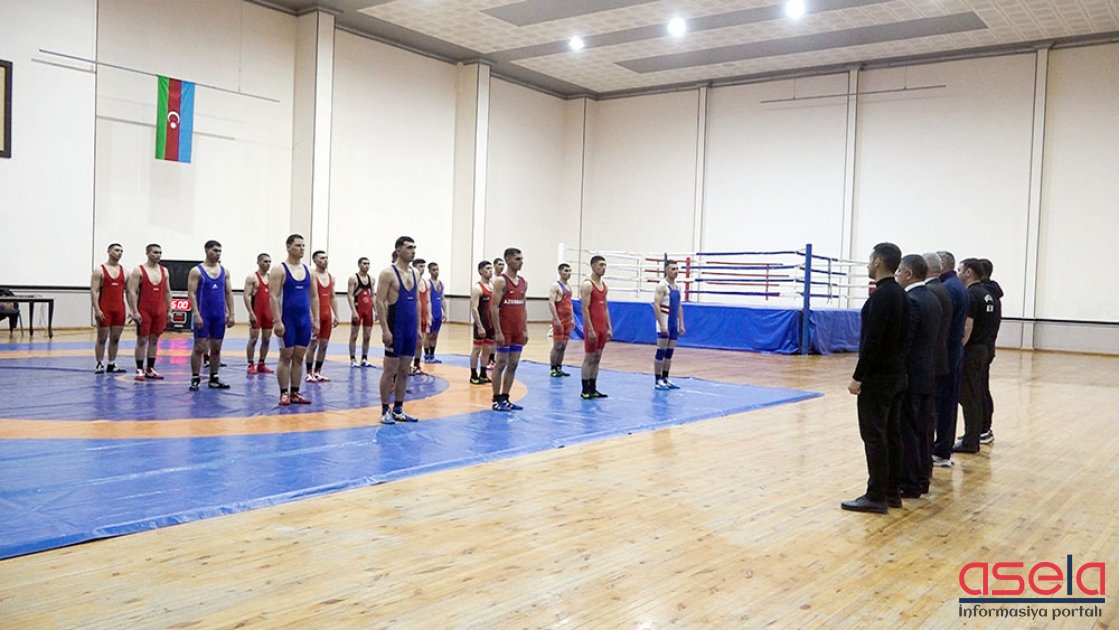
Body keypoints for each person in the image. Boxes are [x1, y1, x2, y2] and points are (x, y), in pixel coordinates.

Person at [842, 242, 908, 514]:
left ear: (879, 260)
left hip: (879, 378)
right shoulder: (901, 295)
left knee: (874, 435)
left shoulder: (881, 297)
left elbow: (873, 341)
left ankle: (876, 494)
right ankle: (892, 492)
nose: (869, 263)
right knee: (891, 433)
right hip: (897, 374)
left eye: (871, 258)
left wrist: (858, 376)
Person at [895, 254, 941, 498]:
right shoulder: (932, 297)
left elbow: (906, 341)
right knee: (923, 427)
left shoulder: (911, 300)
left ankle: (910, 481)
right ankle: (923, 476)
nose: (897, 276)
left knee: (909, 428)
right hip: (928, 371)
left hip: (912, 373)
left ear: (908, 274)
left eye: (898, 271)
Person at [377, 236, 422, 424]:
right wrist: (385, 329)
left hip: (410, 329)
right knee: (390, 370)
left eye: (414, 247)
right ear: (398, 250)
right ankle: (384, 410)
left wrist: (418, 328)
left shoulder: (416, 273)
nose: (413, 251)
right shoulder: (388, 273)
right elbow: (379, 302)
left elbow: (417, 301)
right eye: (409, 247)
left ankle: (398, 409)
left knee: (405, 370)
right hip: (395, 328)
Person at [270, 234, 318, 405]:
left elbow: (314, 296)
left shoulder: (309, 271)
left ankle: (295, 393)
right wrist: (277, 321)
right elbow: (273, 296)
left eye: (303, 246)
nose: (302, 249)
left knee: (299, 357)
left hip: (303, 321)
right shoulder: (279, 269)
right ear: (288, 247)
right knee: (286, 356)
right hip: (287, 320)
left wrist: (316, 319)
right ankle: (284, 393)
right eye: (298, 245)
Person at [954, 258, 995, 454]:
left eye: (960, 270)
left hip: (972, 351)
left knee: (969, 397)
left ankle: (970, 440)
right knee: (977, 394)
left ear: (968, 272)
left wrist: (957, 348)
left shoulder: (970, 295)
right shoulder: (988, 294)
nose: (958, 273)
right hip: (985, 348)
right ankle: (975, 434)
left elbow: (967, 328)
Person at [931, 251, 969, 467]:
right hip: (953, 351)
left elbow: (943, 324)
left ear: (942, 265)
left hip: (947, 353)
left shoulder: (947, 288)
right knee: (948, 401)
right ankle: (943, 447)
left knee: (944, 402)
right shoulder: (956, 286)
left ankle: (941, 449)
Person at [187, 240, 235, 391]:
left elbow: (228, 293)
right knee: (199, 347)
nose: (218, 253)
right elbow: (192, 294)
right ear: (206, 251)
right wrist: (196, 314)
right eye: (215, 250)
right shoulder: (197, 271)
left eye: (220, 251)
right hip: (204, 315)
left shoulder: (225, 271)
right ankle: (195, 378)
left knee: (216, 348)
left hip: (219, 316)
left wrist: (231, 313)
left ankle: (214, 377)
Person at [922, 252, 953, 483]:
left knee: (927, 413)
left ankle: (926, 460)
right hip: (939, 357)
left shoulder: (931, 292)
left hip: (929, 361)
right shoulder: (943, 289)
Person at [490, 248, 528, 411]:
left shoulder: (523, 282)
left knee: (513, 364)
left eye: (521, 259)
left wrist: (525, 329)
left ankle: (505, 397)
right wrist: (497, 331)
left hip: (517, 329)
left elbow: (524, 306)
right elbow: (493, 307)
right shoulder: (501, 281)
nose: (521, 262)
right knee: (500, 363)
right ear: (508, 260)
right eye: (517, 259)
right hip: (505, 329)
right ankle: (496, 399)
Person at [126, 244, 172, 381]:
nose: (158, 255)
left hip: (160, 310)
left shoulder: (164, 271)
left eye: (160, 253)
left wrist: (169, 310)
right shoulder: (138, 271)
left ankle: (150, 369)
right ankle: (139, 369)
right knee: (142, 340)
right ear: (147, 253)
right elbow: (132, 292)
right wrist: (134, 311)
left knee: (154, 340)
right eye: (155, 252)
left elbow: (167, 291)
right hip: (144, 309)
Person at [90, 243, 128, 374]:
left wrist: (133, 310)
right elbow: (94, 291)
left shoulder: (125, 272)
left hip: (119, 309)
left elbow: (130, 292)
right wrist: (97, 309)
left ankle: (111, 363)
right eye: (117, 250)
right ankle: (99, 363)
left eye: (121, 251)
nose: (119, 253)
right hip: (105, 308)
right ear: (109, 251)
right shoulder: (99, 270)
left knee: (115, 338)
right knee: (102, 338)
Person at [978, 258, 1003, 444]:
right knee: (982, 388)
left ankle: (983, 429)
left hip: (981, 347)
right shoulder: (993, 294)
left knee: (979, 390)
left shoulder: (983, 295)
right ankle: (984, 428)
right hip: (988, 346)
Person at [580, 255, 612, 400]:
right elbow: (585, 309)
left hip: (602, 327)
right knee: (589, 357)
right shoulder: (588, 285)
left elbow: (605, 308)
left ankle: (593, 388)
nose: (603, 268)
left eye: (605, 265)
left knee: (597, 357)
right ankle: (585, 389)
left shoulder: (604, 285)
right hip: (592, 327)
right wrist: (590, 329)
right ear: (593, 266)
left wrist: (609, 327)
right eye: (600, 265)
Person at [305, 250, 339, 383]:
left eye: (326, 258)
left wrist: (336, 314)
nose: (325, 260)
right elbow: (311, 297)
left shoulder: (331, 277)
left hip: (327, 316)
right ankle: (309, 373)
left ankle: (318, 372)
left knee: (324, 345)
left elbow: (332, 297)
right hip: (316, 315)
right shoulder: (312, 276)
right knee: (313, 344)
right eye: (322, 258)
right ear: (315, 261)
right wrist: (313, 317)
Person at [652, 259, 686, 390]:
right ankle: (657, 380)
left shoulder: (677, 287)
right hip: (665, 322)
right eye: (673, 269)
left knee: (669, 352)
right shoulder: (662, 286)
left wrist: (681, 324)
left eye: (677, 269)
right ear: (666, 270)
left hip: (673, 324)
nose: (676, 272)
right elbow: (656, 305)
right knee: (661, 351)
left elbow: (679, 306)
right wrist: (662, 325)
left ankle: (665, 378)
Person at [244, 253, 275, 375]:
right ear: (258, 262)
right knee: (253, 339)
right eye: (265, 261)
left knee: (266, 339)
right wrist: (251, 313)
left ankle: (261, 363)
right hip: (257, 312)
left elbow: (275, 297)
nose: (267, 264)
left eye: (269, 262)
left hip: (268, 313)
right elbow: (246, 296)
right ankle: (250, 364)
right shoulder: (252, 278)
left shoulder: (272, 278)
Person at [469, 260, 495, 385]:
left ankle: (483, 374)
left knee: (487, 349)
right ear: (480, 271)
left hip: (491, 324)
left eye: (491, 268)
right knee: (476, 349)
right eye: (487, 269)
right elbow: (474, 308)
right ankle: (473, 374)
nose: (490, 271)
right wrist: (479, 326)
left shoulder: (493, 287)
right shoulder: (477, 288)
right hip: (482, 323)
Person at [347, 257, 375, 368]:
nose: (366, 266)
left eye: (368, 263)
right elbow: (350, 296)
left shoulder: (371, 279)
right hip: (358, 309)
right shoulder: (353, 278)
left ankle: (364, 358)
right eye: (364, 263)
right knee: (354, 335)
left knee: (367, 336)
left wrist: (376, 310)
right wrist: (353, 311)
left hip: (368, 310)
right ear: (359, 265)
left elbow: (372, 295)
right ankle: (352, 359)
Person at [548, 263, 575, 377]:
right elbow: (551, 302)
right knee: (557, 345)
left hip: (568, 320)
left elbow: (570, 304)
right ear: (560, 272)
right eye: (565, 271)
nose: (568, 273)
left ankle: (559, 367)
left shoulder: (569, 287)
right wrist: (556, 319)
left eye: (569, 271)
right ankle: (553, 368)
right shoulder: (555, 286)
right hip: (559, 319)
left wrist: (573, 318)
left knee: (563, 345)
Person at [423, 261, 446, 364]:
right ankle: (426, 355)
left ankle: (432, 355)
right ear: (429, 271)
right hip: (431, 312)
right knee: (428, 335)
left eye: (437, 270)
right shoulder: (428, 284)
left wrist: (444, 312)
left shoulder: (441, 284)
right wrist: (428, 314)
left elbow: (442, 299)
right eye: (434, 270)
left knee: (435, 335)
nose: (436, 272)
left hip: (438, 313)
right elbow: (427, 300)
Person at [411, 258, 429, 375]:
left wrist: (429, 316)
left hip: (423, 316)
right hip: (413, 316)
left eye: (424, 267)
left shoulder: (426, 283)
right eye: (420, 266)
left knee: (420, 342)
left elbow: (428, 301)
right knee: (411, 342)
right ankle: (407, 365)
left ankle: (417, 365)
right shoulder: (411, 282)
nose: (422, 269)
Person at [488, 256, 506, 369]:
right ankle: (489, 358)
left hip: (502, 310)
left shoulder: (504, 279)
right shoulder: (492, 280)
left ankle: (495, 357)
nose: (501, 267)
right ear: (494, 265)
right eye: (499, 264)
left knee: (499, 336)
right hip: (492, 310)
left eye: (503, 265)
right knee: (492, 336)